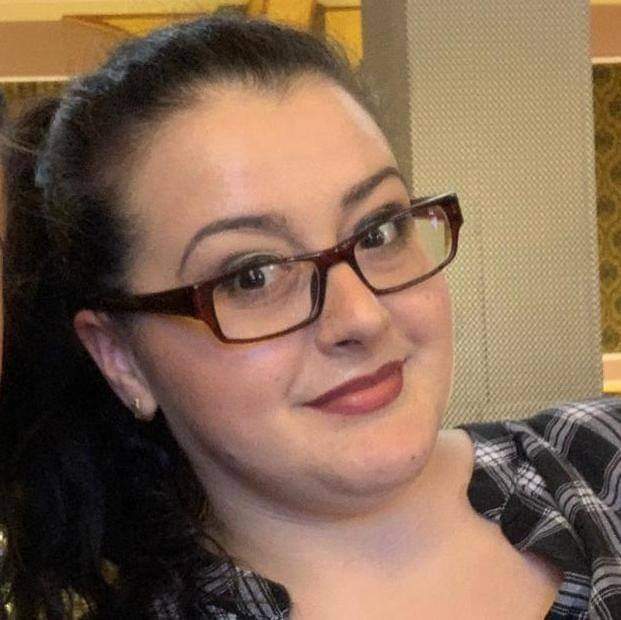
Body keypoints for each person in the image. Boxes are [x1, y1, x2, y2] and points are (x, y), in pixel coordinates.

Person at [0, 13, 619, 619]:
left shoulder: (601, 459)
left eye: (378, 231)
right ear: (120, 358)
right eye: (252, 276)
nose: (362, 318)